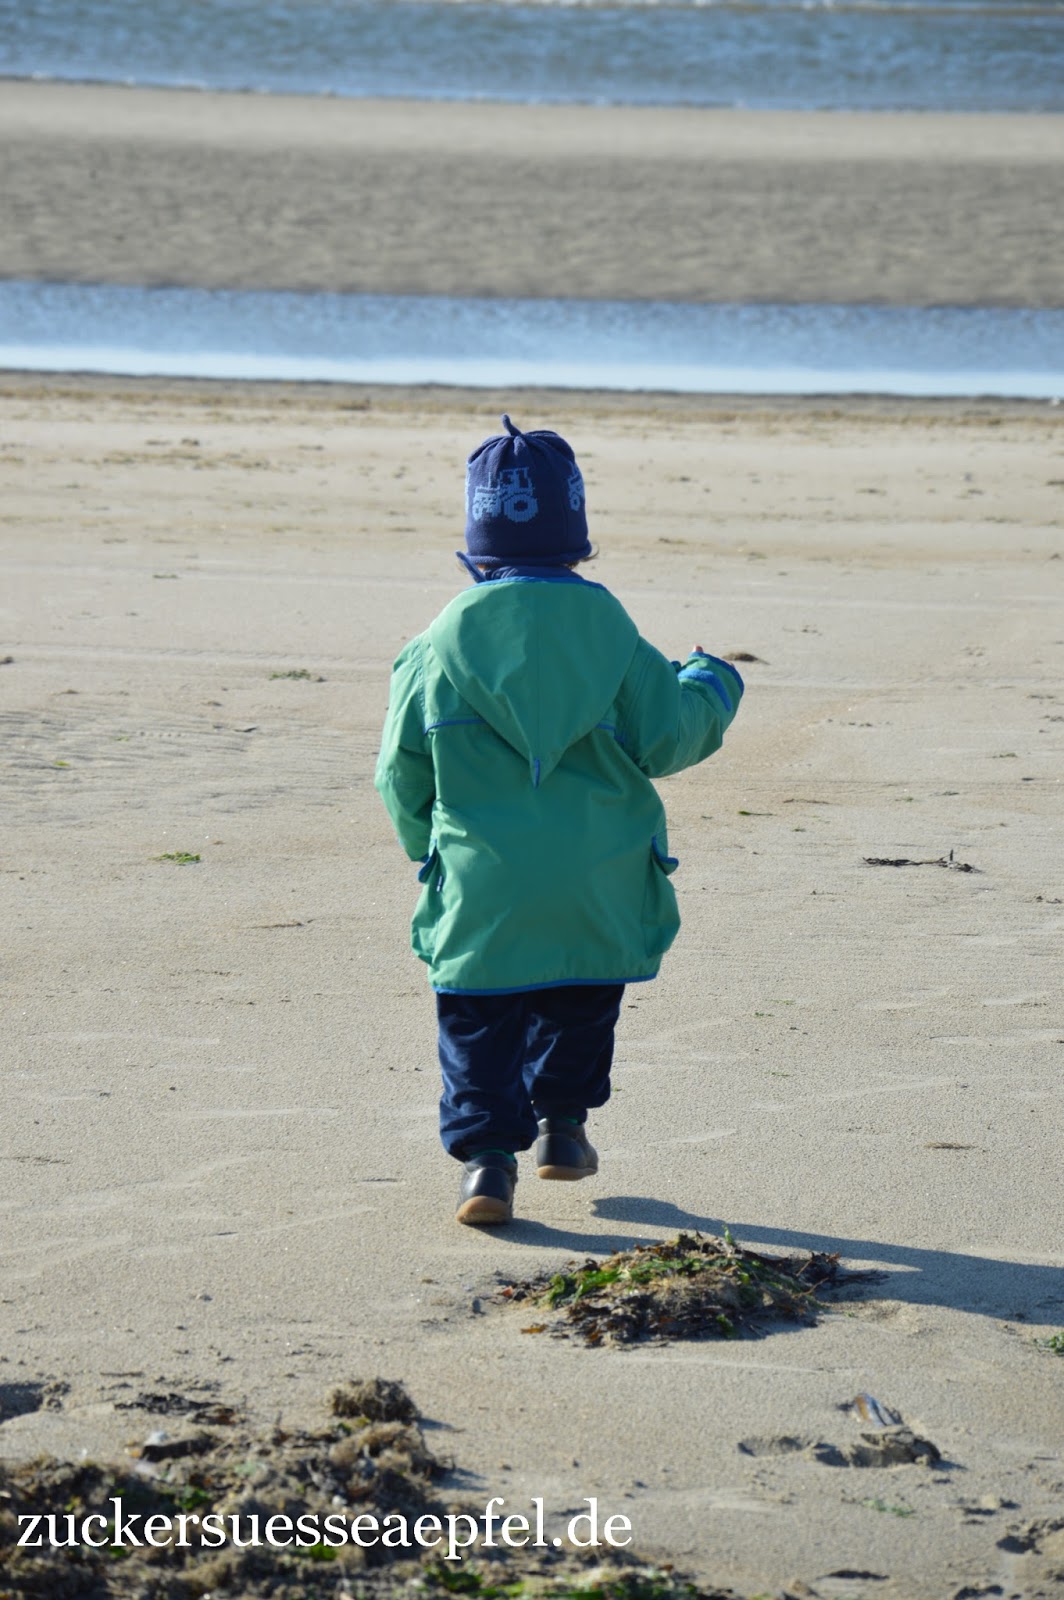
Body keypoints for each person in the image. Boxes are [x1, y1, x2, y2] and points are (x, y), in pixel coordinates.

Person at [374, 415, 743, 1225]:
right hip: (598, 879)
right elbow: (670, 738)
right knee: (580, 1000)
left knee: (476, 1017)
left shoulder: (431, 651)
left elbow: (399, 774)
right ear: (577, 545)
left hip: (481, 881)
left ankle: (485, 1164)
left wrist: (423, 851)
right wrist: (714, 682)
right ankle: (565, 1129)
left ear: (476, 550)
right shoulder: (615, 639)